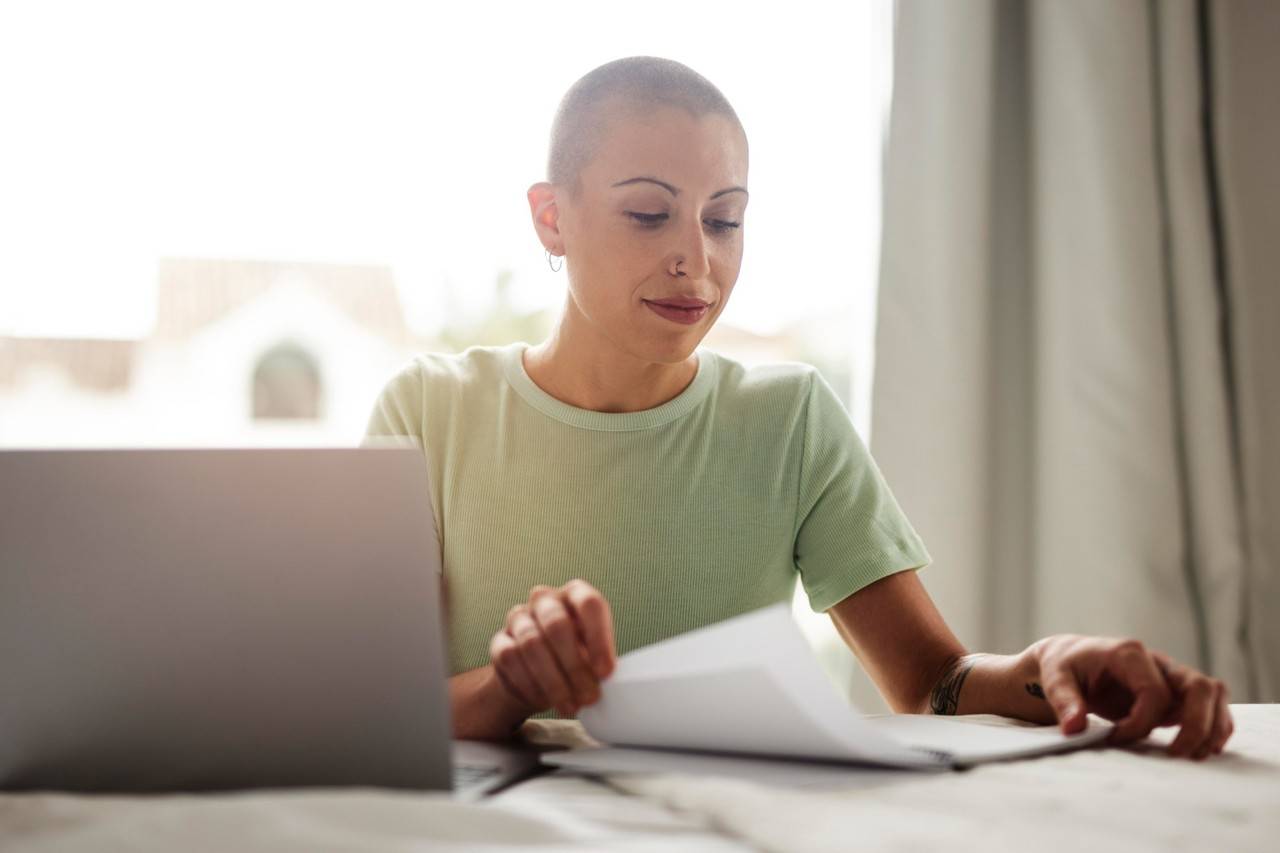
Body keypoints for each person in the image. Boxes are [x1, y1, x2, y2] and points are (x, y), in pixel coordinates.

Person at [365, 56, 1233, 760]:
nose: (692, 259)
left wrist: (1047, 668)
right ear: (552, 218)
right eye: (647, 213)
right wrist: (512, 688)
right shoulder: (429, 411)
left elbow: (930, 682)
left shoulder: (787, 417)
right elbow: (376, 712)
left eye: (724, 220)